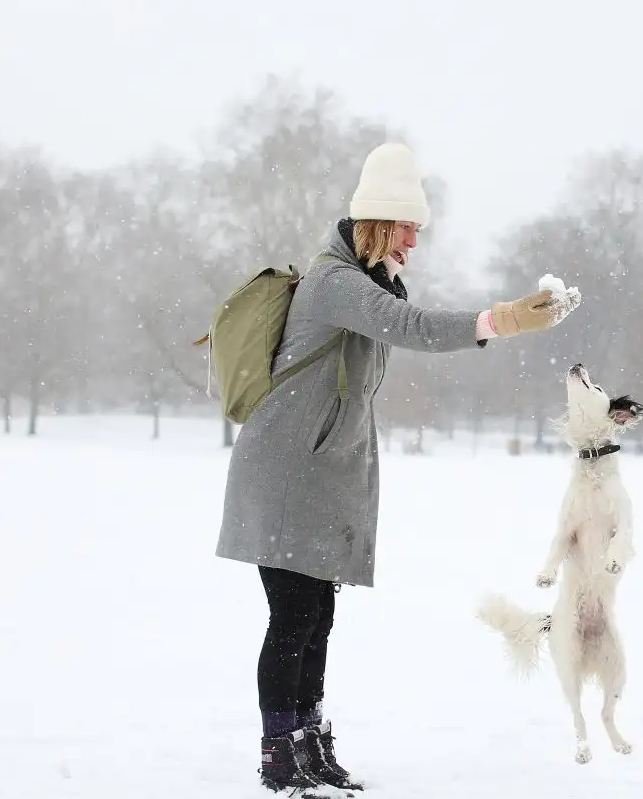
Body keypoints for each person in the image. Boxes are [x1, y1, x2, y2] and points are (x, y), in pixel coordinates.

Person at [215, 142, 580, 795]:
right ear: (382, 220)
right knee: (294, 618)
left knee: (317, 617)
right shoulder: (334, 283)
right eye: (410, 227)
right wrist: (502, 320)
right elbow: (410, 326)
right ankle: (280, 752)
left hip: (317, 476)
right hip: (283, 474)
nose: (415, 242)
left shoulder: (363, 283)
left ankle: (310, 743)